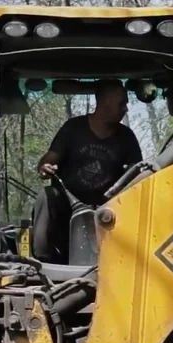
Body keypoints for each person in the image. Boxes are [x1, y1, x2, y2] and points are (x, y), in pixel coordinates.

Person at [31, 79, 144, 263]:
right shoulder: (73, 128)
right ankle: (43, 262)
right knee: (46, 196)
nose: (126, 109)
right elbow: (48, 159)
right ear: (105, 102)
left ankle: (130, 261)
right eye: (122, 103)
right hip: (69, 205)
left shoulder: (127, 137)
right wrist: (45, 167)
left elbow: (138, 174)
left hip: (109, 209)